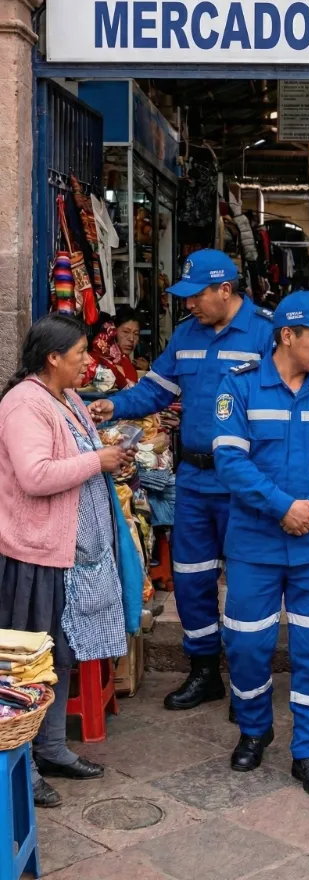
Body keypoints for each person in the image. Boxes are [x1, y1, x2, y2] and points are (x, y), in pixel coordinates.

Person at [90, 250, 274, 712]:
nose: (188, 304)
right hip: (193, 478)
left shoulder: (267, 333)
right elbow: (157, 388)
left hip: (245, 480)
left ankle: (250, 683)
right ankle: (204, 671)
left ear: (225, 290)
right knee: (192, 578)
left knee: (250, 581)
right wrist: (115, 405)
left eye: (196, 296)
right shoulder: (187, 335)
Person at [212, 292, 309, 796]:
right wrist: (283, 506)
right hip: (255, 545)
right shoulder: (240, 388)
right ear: (286, 336)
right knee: (248, 645)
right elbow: (231, 462)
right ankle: (255, 729)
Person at [0, 316, 133, 808]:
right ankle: (24, 766)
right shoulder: (23, 405)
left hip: (71, 554)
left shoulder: (68, 399)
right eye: (79, 353)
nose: (87, 361)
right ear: (53, 358)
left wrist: (108, 450)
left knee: (59, 656)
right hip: (36, 552)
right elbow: (35, 476)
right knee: (29, 667)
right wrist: (97, 461)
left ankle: (52, 749)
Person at [84, 306, 145, 390]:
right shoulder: (94, 360)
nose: (131, 339)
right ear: (113, 330)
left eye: (136, 333)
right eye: (126, 332)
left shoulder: (126, 363)